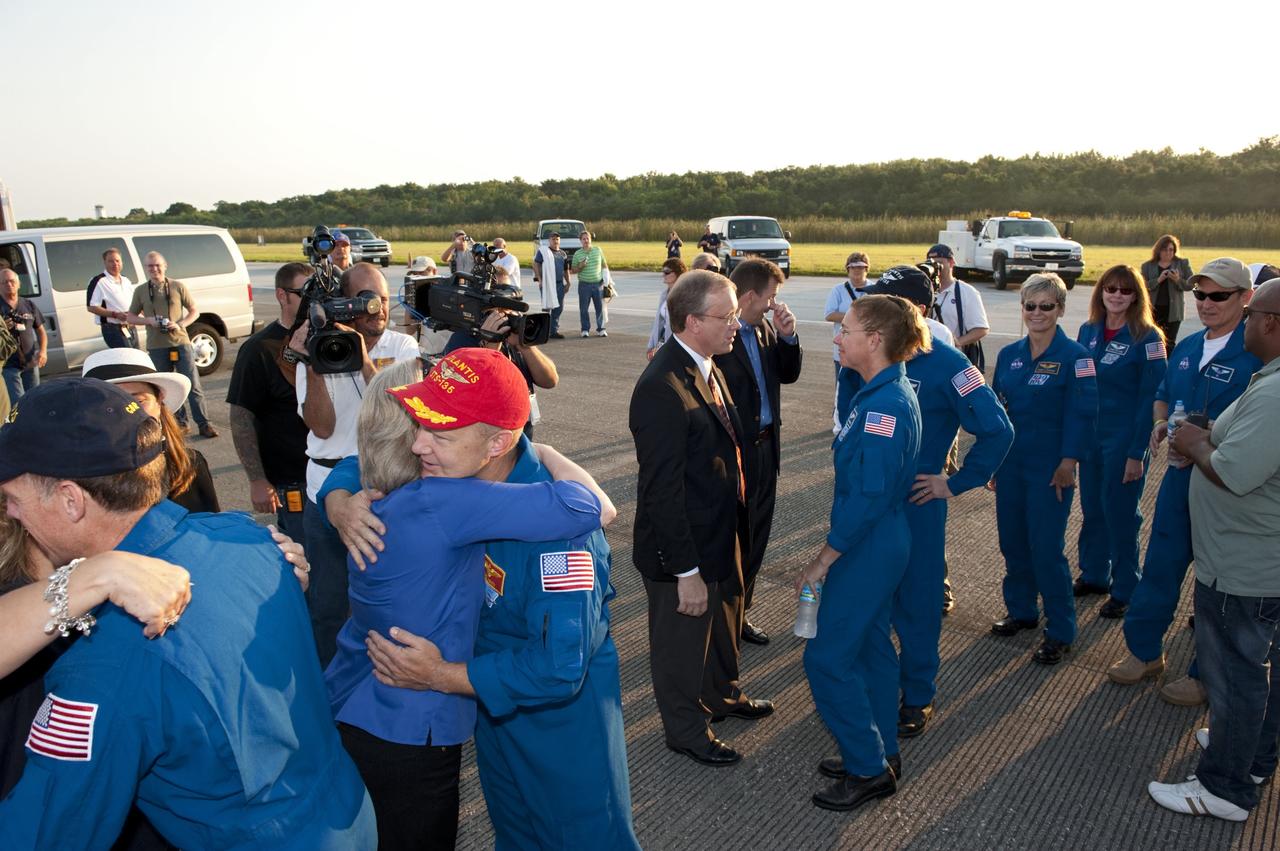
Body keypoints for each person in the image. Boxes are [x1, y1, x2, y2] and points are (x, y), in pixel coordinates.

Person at [0, 378, 375, 848]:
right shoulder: (249, 537)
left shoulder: (100, 665)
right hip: (342, 809)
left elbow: (43, 835)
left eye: (13, 498)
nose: (10, 512)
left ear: (72, 500)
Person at [320, 351, 638, 850]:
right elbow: (361, 461)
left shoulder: (557, 535)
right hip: (488, 706)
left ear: (498, 442)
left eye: (439, 434)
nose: (418, 444)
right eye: (419, 425)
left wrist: (438, 676)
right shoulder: (455, 479)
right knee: (514, 837)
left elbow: (559, 665)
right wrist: (339, 502)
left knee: (582, 838)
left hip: (557, 723)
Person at [836, 269, 1013, 739]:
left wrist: (955, 483)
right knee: (867, 604)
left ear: (911, 310)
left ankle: (917, 695)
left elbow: (998, 429)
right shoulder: (862, 360)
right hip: (866, 507)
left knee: (916, 605)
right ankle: (876, 690)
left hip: (916, 506)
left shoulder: (951, 365)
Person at [629, 270, 773, 768]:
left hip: (721, 529)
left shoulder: (708, 364)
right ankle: (687, 730)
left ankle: (722, 695)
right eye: (727, 315)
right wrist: (684, 572)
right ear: (692, 322)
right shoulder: (661, 387)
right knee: (681, 645)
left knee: (726, 620)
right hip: (683, 546)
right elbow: (661, 493)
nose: (737, 323)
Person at [1148, 279, 1280, 822]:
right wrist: (1208, 435)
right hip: (1254, 557)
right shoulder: (1269, 380)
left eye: (1251, 315)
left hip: (1243, 564)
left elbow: (1234, 473)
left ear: (1270, 323)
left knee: (1236, 675)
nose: (1244, 322)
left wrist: (1194, 443)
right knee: (1255, 673)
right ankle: (1250, 756)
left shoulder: (1274, 392)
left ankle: (1224, 786)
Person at [1108, 257, 1260, 706]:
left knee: (1216, 586)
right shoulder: (1190, 345)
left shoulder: (1257, 353)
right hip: (1179, 477)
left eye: (1219, 296)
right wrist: (1160, 424)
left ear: (1246, 298)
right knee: (1161, 564)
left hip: (1224, 483)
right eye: (1200, 294)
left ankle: (1205, 674)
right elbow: (1163, 395)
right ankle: (1145, 651)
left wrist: (1202, 437)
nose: (1206, 304)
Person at [798, 294, 926, 811]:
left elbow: (869, 496)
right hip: (874, 537)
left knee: (826, 658)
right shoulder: (879, 392)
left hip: (867, 544)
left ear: (874, 340)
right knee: (872, 647)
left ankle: (869, 768)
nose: (837, 336)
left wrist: (825, 557)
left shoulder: (884, 408)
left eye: (846, 330)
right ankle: (880, 750)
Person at [290, 262, 420, 666]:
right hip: (322, 487)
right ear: (345, 303)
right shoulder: (318, 347)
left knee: (388, 601)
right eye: (365, 298)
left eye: (382, 297)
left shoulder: (403, 348)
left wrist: (362, 359)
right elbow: (322, 427)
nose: (377, 307)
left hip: (385, 488)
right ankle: (329, 690)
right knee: (327, 605)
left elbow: (403, 409)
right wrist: (314, 364)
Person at [990, 273, 1098, 665]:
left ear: (1061, 310)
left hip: (1052, 468)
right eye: (1030, 305)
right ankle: (1022, 611)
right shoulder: (1009, 355)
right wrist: (994, 461)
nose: (1037, 313)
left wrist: (1070, 461)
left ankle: (1061, 630)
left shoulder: (1077, 358)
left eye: (1046, 306)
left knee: (1047, 549)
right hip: (1013, 464)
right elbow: (998, 414)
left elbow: (1084, 414)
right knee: (1012, 542)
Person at [713, 258, 802, 647]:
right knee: (732, 539)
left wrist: (788, 337)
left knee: (757, 537)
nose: (774, 305)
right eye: (771, 298)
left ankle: (741, 614)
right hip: (734, 454)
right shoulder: (719, 339)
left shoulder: (765, 328)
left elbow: (787, 374)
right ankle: (721, 619)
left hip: (767, 448)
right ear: (749, 296)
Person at [1073, 265, 1167, 618]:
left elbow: (1153, 396)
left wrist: (1136, 452)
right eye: (1110, 288)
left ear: (1136, 296)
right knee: (1093, 510)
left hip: (1124, 437)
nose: (1116, 295)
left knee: (1121, 513)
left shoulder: (1149, 338)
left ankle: (1126, 586)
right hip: (1092, 437)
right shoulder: (1089, 330)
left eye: (1125, 290)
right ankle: (1095, 573)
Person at [226, 262, 312, 541]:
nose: (313, 303)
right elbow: (241, 418)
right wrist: (257, 481)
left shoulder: (332, 341)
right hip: (292, 481)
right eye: (304, 294)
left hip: (336, 476)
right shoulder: (258, 350)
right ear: (281, 295)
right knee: (305, 560)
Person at [81, 348, 219, 514]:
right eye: (110, 406)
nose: (128, 413)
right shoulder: (79, 481)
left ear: (159, 399)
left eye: (138, 401)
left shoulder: (189, 466)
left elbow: (210, 531)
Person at [124, 251, 218, 439]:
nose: (154, 269)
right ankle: (180, 424)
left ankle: (204, 424)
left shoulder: (177, 286)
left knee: (193, 385)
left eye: (157, 265)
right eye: (150, 266)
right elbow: (130, 317)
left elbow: (194, 311)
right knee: (166, 389)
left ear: (165, 266)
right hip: (157, 346)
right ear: (145, 269)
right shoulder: (141, 291)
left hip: (180, 342)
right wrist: (149, 321)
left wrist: (180, 324)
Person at [824, 252, 871, 430]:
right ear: (847, 270)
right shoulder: (838, 290)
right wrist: (856, 318)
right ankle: (841, 421)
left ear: (867, 269)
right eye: (853, 268)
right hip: (843, 350)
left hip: (868, 352)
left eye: (860, 268)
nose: (857, 272)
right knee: (843, 387)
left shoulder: (874, 289)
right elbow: (829, 314)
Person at [928, 244, 989, 370]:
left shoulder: (966, 292)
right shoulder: (925, 291)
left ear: (951, 263)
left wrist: (957, 342)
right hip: (927, 358)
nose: (936, 268)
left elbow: (981, 328)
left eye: (939, 263)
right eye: (931, 263)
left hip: (953, 361)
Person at [1140, 234, 1195, 345]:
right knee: (1153, 341)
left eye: (1171, 250)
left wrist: (1177, 280)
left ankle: (1169, 362)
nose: (1168, 252)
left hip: (1173, 311)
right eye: (1165, 249)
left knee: (1170, 342)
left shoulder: (1182, 263)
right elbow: (1141, 286)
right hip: (1154, 310)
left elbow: (1190, 285)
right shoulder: (1147, 266)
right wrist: (1158, 280)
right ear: (1158, 250)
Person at [0, 269, 45, 401]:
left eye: (12, 281)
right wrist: (3, 328)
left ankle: (35, 422)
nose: (9, 285)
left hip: (31, 362)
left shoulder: (28, 304)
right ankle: (18, 422)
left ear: (19, 284)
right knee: (18, 404)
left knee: (35, 400)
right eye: (4, 282)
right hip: (9, 365)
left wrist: (43, 352)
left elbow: (41, 331)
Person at [86, 247, 137, 348]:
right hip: (113, 329)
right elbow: (91, 307)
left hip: (130, 326)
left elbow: (135, 302)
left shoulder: (126, 280)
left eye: (117, 261)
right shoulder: (99, 281)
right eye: (111, 261)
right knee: (125, 359)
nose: (115, 264)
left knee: (137, 358)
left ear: (122, 262)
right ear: (105, 262)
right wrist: (115, 314)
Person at [647, 257, 687, 360]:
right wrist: (651, 345)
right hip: (663, 343)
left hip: (677, 346)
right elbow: (658, 322)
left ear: (678, 273)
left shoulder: (683, 296)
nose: (663, 275)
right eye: (663, 272)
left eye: (667, 272)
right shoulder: (664, 294)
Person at [570, 230, 607, 337]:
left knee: (599, 308)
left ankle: (601, 329)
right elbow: (573, 270)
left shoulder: (598, 250)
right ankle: (585, 329)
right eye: (584, 239)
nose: (586, 240)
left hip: (598, 284)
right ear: (580, 241)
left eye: (588, 238)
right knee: (584, 309)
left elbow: (604, 265)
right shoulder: (577, 254)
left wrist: (607, 279)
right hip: (584, 285)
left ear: (591, 239)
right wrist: (580, 266)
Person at [533, 233, 571, 339]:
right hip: (547, 284)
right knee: (547, 307)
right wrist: (540, 280)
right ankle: (543, 331)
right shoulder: (544, 252)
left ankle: (553, 330)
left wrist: (568, 282)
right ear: (549, 241)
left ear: (559, 240)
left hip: (559, 284)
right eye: (553, 239)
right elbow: (536, 264)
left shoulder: (563, 254)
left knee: (558, 308)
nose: (555, 241)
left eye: (557, 239)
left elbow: (566, 270)